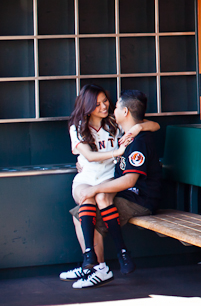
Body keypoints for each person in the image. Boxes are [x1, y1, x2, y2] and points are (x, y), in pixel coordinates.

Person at [61, 88, 160, 288]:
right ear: (88, 107)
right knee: (81, 212)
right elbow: (88, 156)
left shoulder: (117, 125)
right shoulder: (79, 127)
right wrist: (117, 151)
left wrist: (138, 128)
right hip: (95, 180)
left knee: (93, 211)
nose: (105, 106)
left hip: (117, 184)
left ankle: (100, 267)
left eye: (107, 102)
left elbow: (154, 125)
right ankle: (92, 265)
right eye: (98, 104)